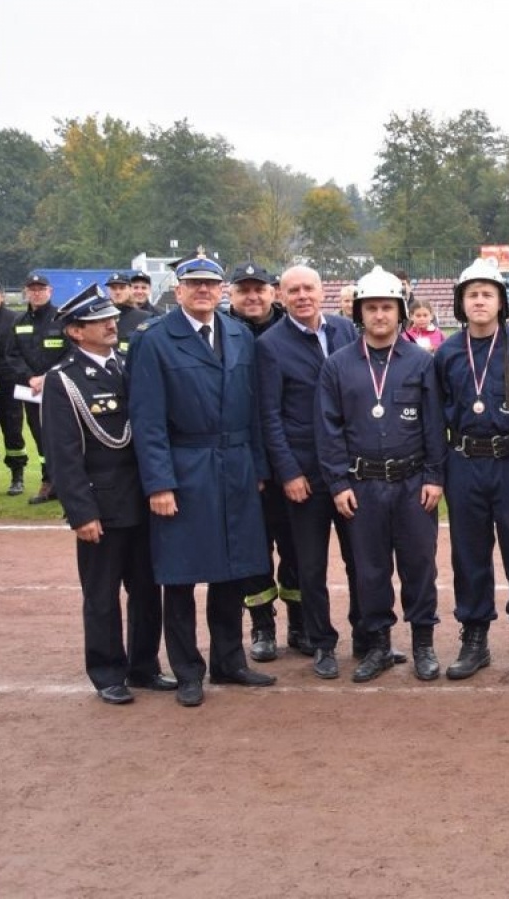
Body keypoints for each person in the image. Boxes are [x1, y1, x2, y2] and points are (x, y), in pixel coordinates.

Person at [128, 252, 275, 707]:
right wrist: (159, 484)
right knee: (181, 575)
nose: (204, 291)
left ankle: (229, 661)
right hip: (186, 466)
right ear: (178, 291)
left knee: (233, 570)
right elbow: (147, 420)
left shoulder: (238, 334)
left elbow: (254, 410)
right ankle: (188, 669)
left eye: (211, 284)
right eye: (194, 284)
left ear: (222, 291)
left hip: (236, 466)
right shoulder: (154, 340)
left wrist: (258, 468)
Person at [41, 285, 174, 704]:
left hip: (141, 499)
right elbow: (63, 456)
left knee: (148, 590)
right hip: (101, 505)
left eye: (110, 318)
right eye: (100, 321)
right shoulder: (63, 381)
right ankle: (106, 672)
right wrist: (81, 513)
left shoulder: (127, 365)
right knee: (102, 596)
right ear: (76, 332)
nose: (111, 324)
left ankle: (144, 665)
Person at [316, 267, 447, 683]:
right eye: (370, 308)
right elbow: (328, 428)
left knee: (419, 565)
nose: (379, 315)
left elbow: (433, 424)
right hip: (363, 484)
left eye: (387, 307)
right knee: (370, 568)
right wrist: (338, 483)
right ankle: (378, 645)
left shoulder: (422, 362)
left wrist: (433, 476)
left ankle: (423, 643)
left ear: (400, 312)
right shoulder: (337, 366)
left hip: (412, 484)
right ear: (360, 313)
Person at [435, 258, 509, 682]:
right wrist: (438, 471)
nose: (479, 301)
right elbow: (435, 417)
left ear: (500, 301)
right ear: (460, 303)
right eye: (472, 294)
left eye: (487, 294)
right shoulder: (446, 353)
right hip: (464, 463)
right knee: (468, 555)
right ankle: (475, 636)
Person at [258, 264, 372, 680]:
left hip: (350, 469)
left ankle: (367, 635)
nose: (302, 295)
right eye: (293, 290)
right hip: (305, 475)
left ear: (323, 290)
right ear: (280, 297)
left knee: (361, 559)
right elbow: (269, 416)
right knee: (311, 565)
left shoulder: (345, 330)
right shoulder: (270, 345)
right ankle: (322, 641)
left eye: (309, 287)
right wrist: (287, 471)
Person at [226, 261, 302, 662]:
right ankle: (262, 624)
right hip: (244, 462)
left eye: (259, 289)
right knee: (253, 549)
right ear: (231, 295)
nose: (252, 297)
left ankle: (301, 622)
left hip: (290, 458)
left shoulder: (292, 331)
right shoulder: (222, 334)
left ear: (273, 292)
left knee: (297, 546)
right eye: (243, 290)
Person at [10, 271, 67, 505]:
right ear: (26, 293)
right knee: (40, 438)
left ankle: (67, 484)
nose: (36, 292)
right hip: (31, 391)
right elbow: (11, 355)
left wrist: (48, 377)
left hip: (59, 388)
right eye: (32, 289)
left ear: (50, 291)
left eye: (41, 289)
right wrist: (31, 377)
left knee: (64, 437)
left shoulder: (63, 318)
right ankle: (48, 482)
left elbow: (71, 352)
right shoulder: (18, 322)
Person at [0, 279, 29, 497]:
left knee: (13, 432)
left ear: (1, 297)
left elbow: (20, 350)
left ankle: (17, 476)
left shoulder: (14, 318)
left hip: (8, 386)